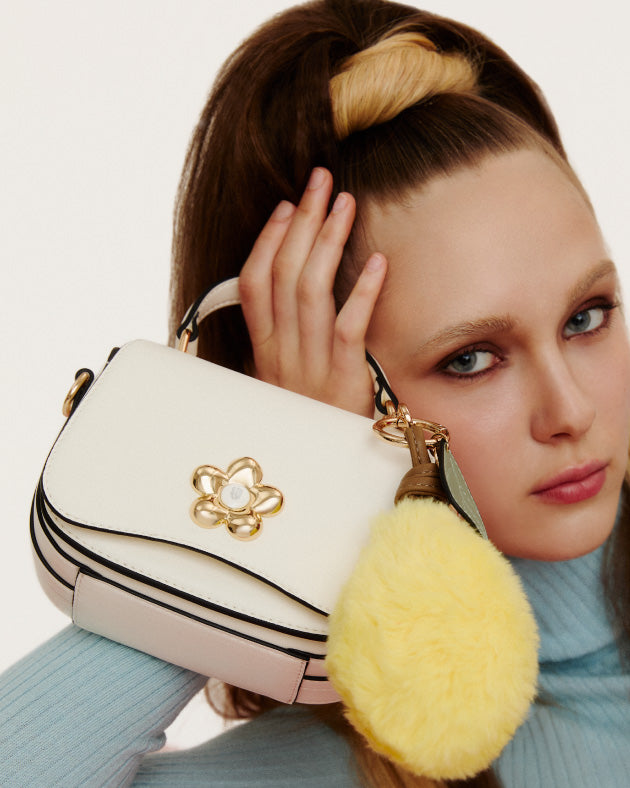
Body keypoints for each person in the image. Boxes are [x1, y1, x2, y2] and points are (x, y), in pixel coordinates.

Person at [2, 0, 629, 786]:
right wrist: (286, 473)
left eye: (586, 316)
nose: (571, 412)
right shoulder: (332, 768)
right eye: (471, 359)